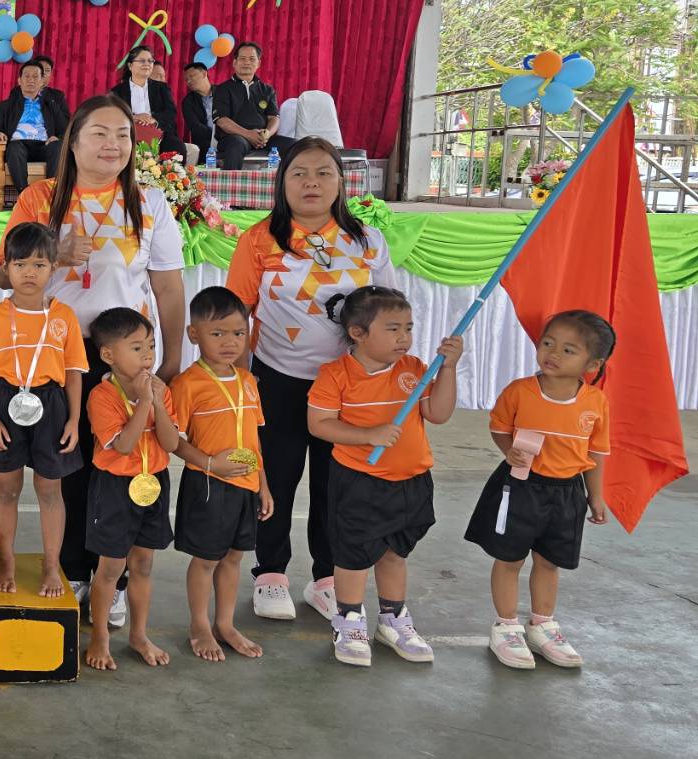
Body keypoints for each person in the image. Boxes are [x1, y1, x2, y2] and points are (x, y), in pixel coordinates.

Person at [6, 95, 186, 625]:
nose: (113, 144)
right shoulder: (40, 198)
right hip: (55, 352)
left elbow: (168, 286)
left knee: (120, 464)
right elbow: (2, 274)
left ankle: (116, 577)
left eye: (123, 135)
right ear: (74, 142)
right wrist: (53, 254)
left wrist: (172, 357)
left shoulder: (149, 202)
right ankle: (74, 569)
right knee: (68, 463)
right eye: (100, 134)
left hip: (123, 356)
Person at [225, 136, 393, 622]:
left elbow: (389, 313)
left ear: (341, 181)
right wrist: (237, 383)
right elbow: (236, 316)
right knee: (275, 477)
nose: (311, 183)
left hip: (347, 389)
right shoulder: (259, 239)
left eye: (323, 172)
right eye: (299, 173)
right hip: (277, 380)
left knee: (335, 484)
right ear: (282, 182)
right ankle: (270, 572)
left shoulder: (367, 241)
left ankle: (326, 579)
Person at [307, 287, 463, 667]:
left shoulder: (413, 369)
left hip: (411, 481)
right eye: (393, 329)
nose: (404, 337)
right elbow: (319, 424)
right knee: (354, 557)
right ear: (358, 333)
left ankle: (393, 619)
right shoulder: (336, 375)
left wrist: (448, 369)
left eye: (408, 328)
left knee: (395, 553)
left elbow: (438, 413)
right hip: (360, 481)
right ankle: (349, 620)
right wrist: (367, 435)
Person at [464, 311, 615, 670]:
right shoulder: (519, 391)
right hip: (520, 486)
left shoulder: (596, 402)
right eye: (548, 343)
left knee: (549, 561)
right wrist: (508, 450)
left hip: (567, 493)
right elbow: (500, 428)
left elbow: (595, 453)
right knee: (510, 558)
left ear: (592, 364)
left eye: (568, 350)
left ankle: (542, 626)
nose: (553, 353)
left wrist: (595, 496)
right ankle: (506, 627)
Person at [0, 222, 87, 598]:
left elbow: (73, 373)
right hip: (5, 404)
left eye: (39, 265)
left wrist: (73, 419)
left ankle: (51, 566)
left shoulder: (64, 317)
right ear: (7, 268)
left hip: (51, 404)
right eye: (20, 264)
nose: (29, 273)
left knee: (50, 490)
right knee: (7, 488)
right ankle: (6, 561)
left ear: (54, 267)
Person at [169, 288, 273, 662]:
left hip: (246, 485)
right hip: (208, 485)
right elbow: (173, 441)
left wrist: (263, 485)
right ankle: (200, 625)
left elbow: (253, 439)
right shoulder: (187, 384)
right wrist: (211, 465)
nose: (230, 342)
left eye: (238, 333)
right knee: (206, 560)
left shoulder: (247, 380)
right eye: (218, 333)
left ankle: (225, 624)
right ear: (194, 334)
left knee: (233, 558)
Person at [81, 308, 178, 671]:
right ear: (108, 354)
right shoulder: (101, 396)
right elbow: (122, 446)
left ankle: (139, 635)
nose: (148, 355)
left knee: (144, 564)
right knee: (110, 568)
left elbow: (170, 443)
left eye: (151, 346)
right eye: (137, 348)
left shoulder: (159, 389)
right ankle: (100, 636)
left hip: (153, 481)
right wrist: (144, 403)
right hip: (115, 486)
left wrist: (158, 402)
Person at [0, 61, 68, 191]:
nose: (31, 80)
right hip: (18, 147)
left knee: (57, 146)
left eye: (35, 76)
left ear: (42, 82)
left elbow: (66, 130)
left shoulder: (51, 106)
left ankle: (51, 193)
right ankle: (24, 194)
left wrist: (58, 138)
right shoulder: (6, 105)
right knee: (14, 146)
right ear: (19, 80)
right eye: (27, 76)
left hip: (44, 146)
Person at [211, 42, 293, 169]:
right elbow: (222, 121)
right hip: (234, 137)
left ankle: (285, 181)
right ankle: (231, 182)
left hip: (263, 138)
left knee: (294, 145)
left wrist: (267, 134)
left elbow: (274, 118)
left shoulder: (267, 90)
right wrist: (248, 134)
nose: (247, 62)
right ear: (234, 63)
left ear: (258, 63)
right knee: (236, 144)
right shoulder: (222, 89)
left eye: (251, 59)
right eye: (242, 58)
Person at [110, 46, 179, 155]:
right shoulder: (117, 91)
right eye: (142, 61)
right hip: (130, 134)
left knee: (178, 148)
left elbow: (171, 112)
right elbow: (113, 115)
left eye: (150, 61)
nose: (147, 64)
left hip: (159, 134)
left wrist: (153, 120)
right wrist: (135, 117)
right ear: (130, 65)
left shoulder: (162, 88)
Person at [180, 63, 217, 158]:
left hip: (229, 138)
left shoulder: (223, 92)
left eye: (191, 76)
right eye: (186, 79)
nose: (189, 81)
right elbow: (195, 127)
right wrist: (216, 136)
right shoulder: (188, 101)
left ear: (204, 73)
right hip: (206, 143)